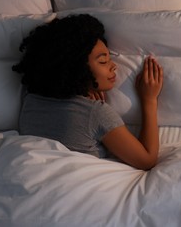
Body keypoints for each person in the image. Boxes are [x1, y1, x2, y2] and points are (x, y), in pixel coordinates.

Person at [12, 14, 163, 170]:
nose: (114, 66)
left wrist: (84, 90)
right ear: (77, 69)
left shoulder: (30, 101)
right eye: (103, 61)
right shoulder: (97, 113)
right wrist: (149, 100)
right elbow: (147, 160)